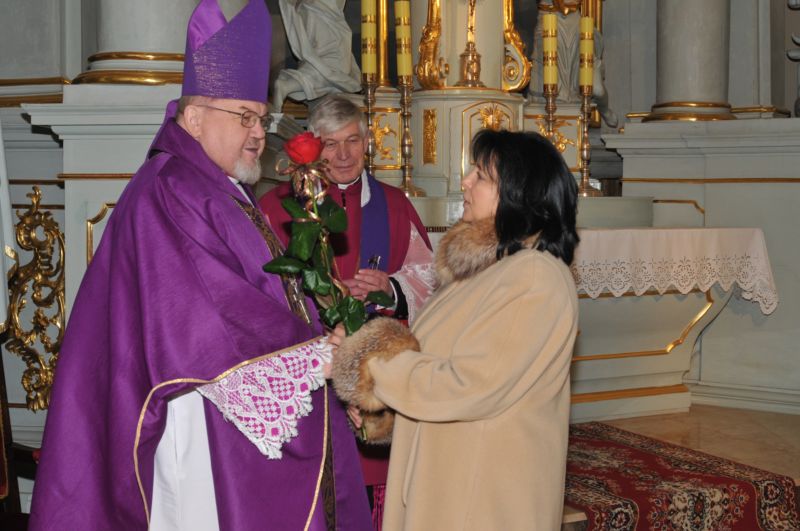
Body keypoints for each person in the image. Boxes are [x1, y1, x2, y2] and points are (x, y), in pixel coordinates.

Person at [29, 1, 372, 529]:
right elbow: (208, 311)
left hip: (216, 406)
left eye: (261, 118)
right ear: (193, 118)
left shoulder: (212, 185)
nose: (258, 133)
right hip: (192, 411)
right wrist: (313, 354)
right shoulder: (171, 189)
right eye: (244, 117)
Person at [330, 129, 580, 530]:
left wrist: (370, 364)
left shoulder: (533, 277)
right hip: (451, 480)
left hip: (481, 497)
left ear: (518, 193)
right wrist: (384, 411)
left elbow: (470, 385)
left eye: (481, 176)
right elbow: (436, 363)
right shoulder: (486, 272)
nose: (465, 182)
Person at [259, 94, 435, 527]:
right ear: (312, 146)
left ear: (367, 143)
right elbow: (255, 286)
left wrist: (392, 288)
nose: (343, 154)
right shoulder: (278, 206)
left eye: (352, 141)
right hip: (306, 366)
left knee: (373, 480)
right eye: (331, 144)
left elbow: (429, 277)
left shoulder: (393, 204)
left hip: (375, 370)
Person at [272, 0, 362, 111]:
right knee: (335, 63)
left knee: (332, 62)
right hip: (321, 9)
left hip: (320, 10)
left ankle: (289, 86)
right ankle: (288, 86)